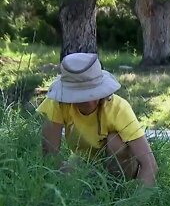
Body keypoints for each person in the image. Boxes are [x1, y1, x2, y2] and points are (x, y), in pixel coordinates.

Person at [37, 52, 158, 187]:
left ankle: (116, 192)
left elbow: (149, 165)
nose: (88, 101)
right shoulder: (58, 103)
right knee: (68, 172)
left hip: (121, 170)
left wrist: (134, 205)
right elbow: (50, 156)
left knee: (115, 141)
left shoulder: (118, 108)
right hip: (82, 163)